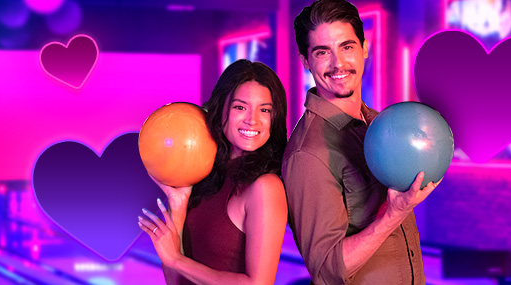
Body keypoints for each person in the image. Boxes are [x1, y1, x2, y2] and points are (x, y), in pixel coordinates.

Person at [284, 0, 440, 284]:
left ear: (364, 48)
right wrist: (392, 215)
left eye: (347, 47)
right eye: (322, 52)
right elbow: (328, 271)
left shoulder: (381, 124)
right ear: (305, 61)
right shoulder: (308, 153)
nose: (338, 63)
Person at [138, 59, 289, 285]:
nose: (252, 120)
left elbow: (258, 284)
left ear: (274, 118)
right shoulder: (204, 174)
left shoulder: (265, 186)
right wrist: (178, 205)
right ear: (221, 110)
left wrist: (176, 259)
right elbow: (175, 281)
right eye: (240, 107)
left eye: (264, 110)